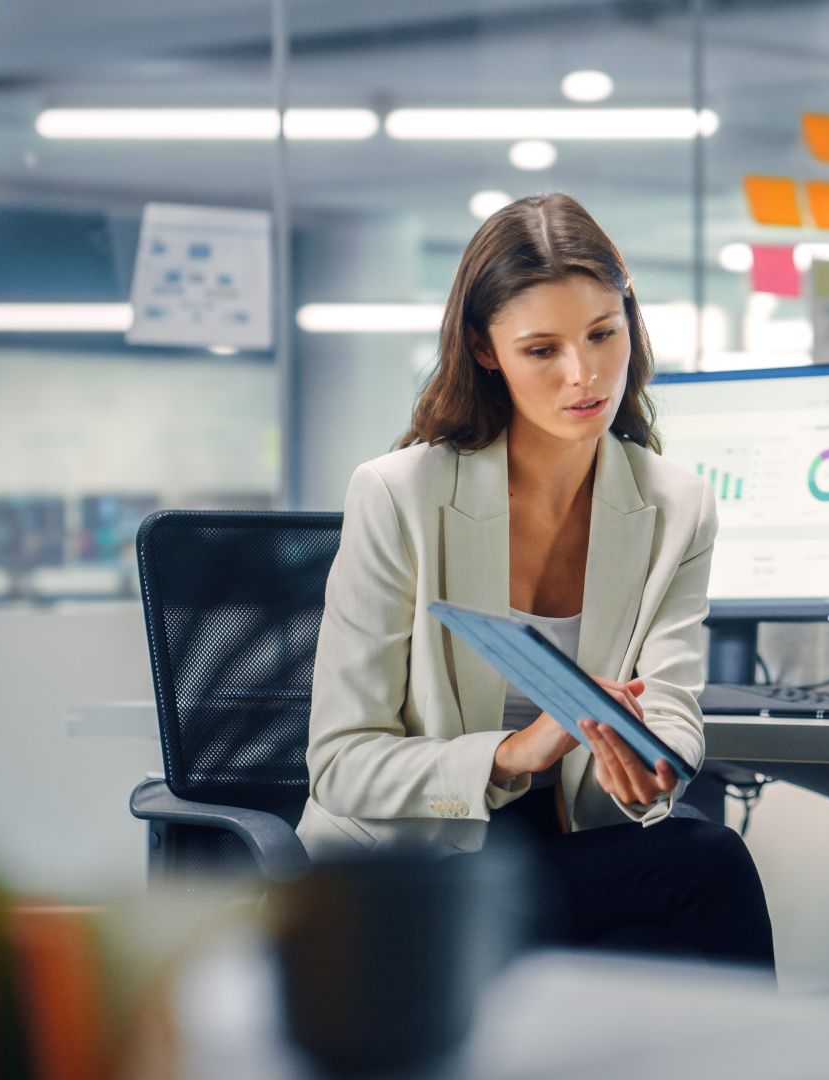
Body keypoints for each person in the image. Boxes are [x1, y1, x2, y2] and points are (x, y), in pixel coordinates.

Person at [296, 192, 774, 967]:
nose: (584, 375)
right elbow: (343, 764)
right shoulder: (400, 495)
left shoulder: (675, 505)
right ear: (486, 351)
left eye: (602, 335)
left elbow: (674, 705)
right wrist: (514, 753)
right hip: (413, 873)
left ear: (631, 325)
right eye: (542, 350)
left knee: (675, 914)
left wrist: (652, 769)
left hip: (569, 853)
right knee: (706, 871)